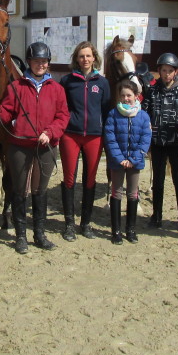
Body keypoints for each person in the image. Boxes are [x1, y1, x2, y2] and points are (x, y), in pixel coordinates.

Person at [0, 42, 70, 254]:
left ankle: (39, 234)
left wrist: (50, 132)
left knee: (39, 191)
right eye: (36, 61)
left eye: (44, 62)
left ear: (48, 64)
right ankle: (21, 236)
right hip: (20, 146)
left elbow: (63, 116)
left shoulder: (57, 89)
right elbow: (7, 115)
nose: (40, 65)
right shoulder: (16, 87)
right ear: (29, 63)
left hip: (45, 146)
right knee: (19, 191)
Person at [58, 41, 110, 241]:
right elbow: (61, 108)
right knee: (69, 178)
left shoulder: (102, 83)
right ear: (76, 59)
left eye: (88, 56)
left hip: (94, 136)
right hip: (71, 134)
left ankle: (85, 223)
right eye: (81, 56)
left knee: (90, 179)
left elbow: (105, 110)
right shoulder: (67, 81)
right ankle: (69, 224)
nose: (85, 59)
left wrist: (105, 134)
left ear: (94, 58)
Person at [141, 53, 178, 231]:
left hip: (176, 143)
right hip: (157, 143)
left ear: (176, 72)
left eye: (170, 71)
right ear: (159, 71)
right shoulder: (153, 90)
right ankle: (156, 216)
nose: (166, 74)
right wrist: (146, 142)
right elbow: (144, 115)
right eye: (164, 70)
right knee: (158, 181)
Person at [103, 80, 152, 244]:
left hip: (135, 162)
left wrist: (133, 159)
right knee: (116, 193)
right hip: (118, 162)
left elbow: (145, 139)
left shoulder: (143, 116)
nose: (126, 98)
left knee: (132, 193)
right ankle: (116, 231)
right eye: (123, 95)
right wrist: (120, 159)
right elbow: (110, 139)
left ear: (136, 96)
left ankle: (130, 229)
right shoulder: (113, 114)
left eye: (129, 95)